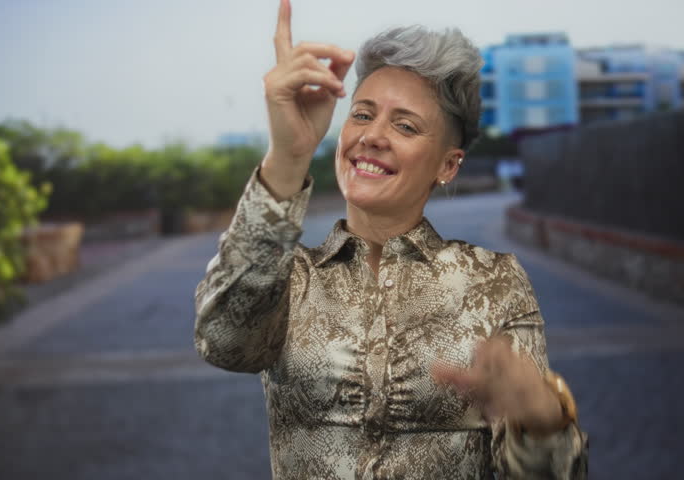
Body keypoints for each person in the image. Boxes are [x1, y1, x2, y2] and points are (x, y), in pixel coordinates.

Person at [194, 1, 588, 478]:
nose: (373, 136)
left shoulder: (494, 280)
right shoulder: (291, 279)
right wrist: (288, 156)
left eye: (405, 125)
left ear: (448, 164)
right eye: (362, 115)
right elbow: (224, 342)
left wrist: (544, 423)